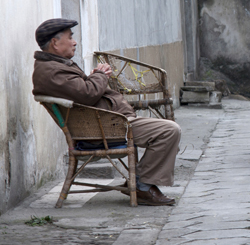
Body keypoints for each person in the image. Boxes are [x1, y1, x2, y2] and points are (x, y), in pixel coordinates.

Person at [31, 18, 181, 206]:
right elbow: (88, 94)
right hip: (106, 128)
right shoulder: (52, 71)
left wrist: (97, 76)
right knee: (169, 131)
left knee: (167, 130)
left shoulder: (54, 65)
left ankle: (141, 182)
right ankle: (142, 186)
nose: (74, 42)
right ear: (55, 42)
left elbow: (83, 90)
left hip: (108, 123)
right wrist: (100, 74)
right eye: (70, 37)